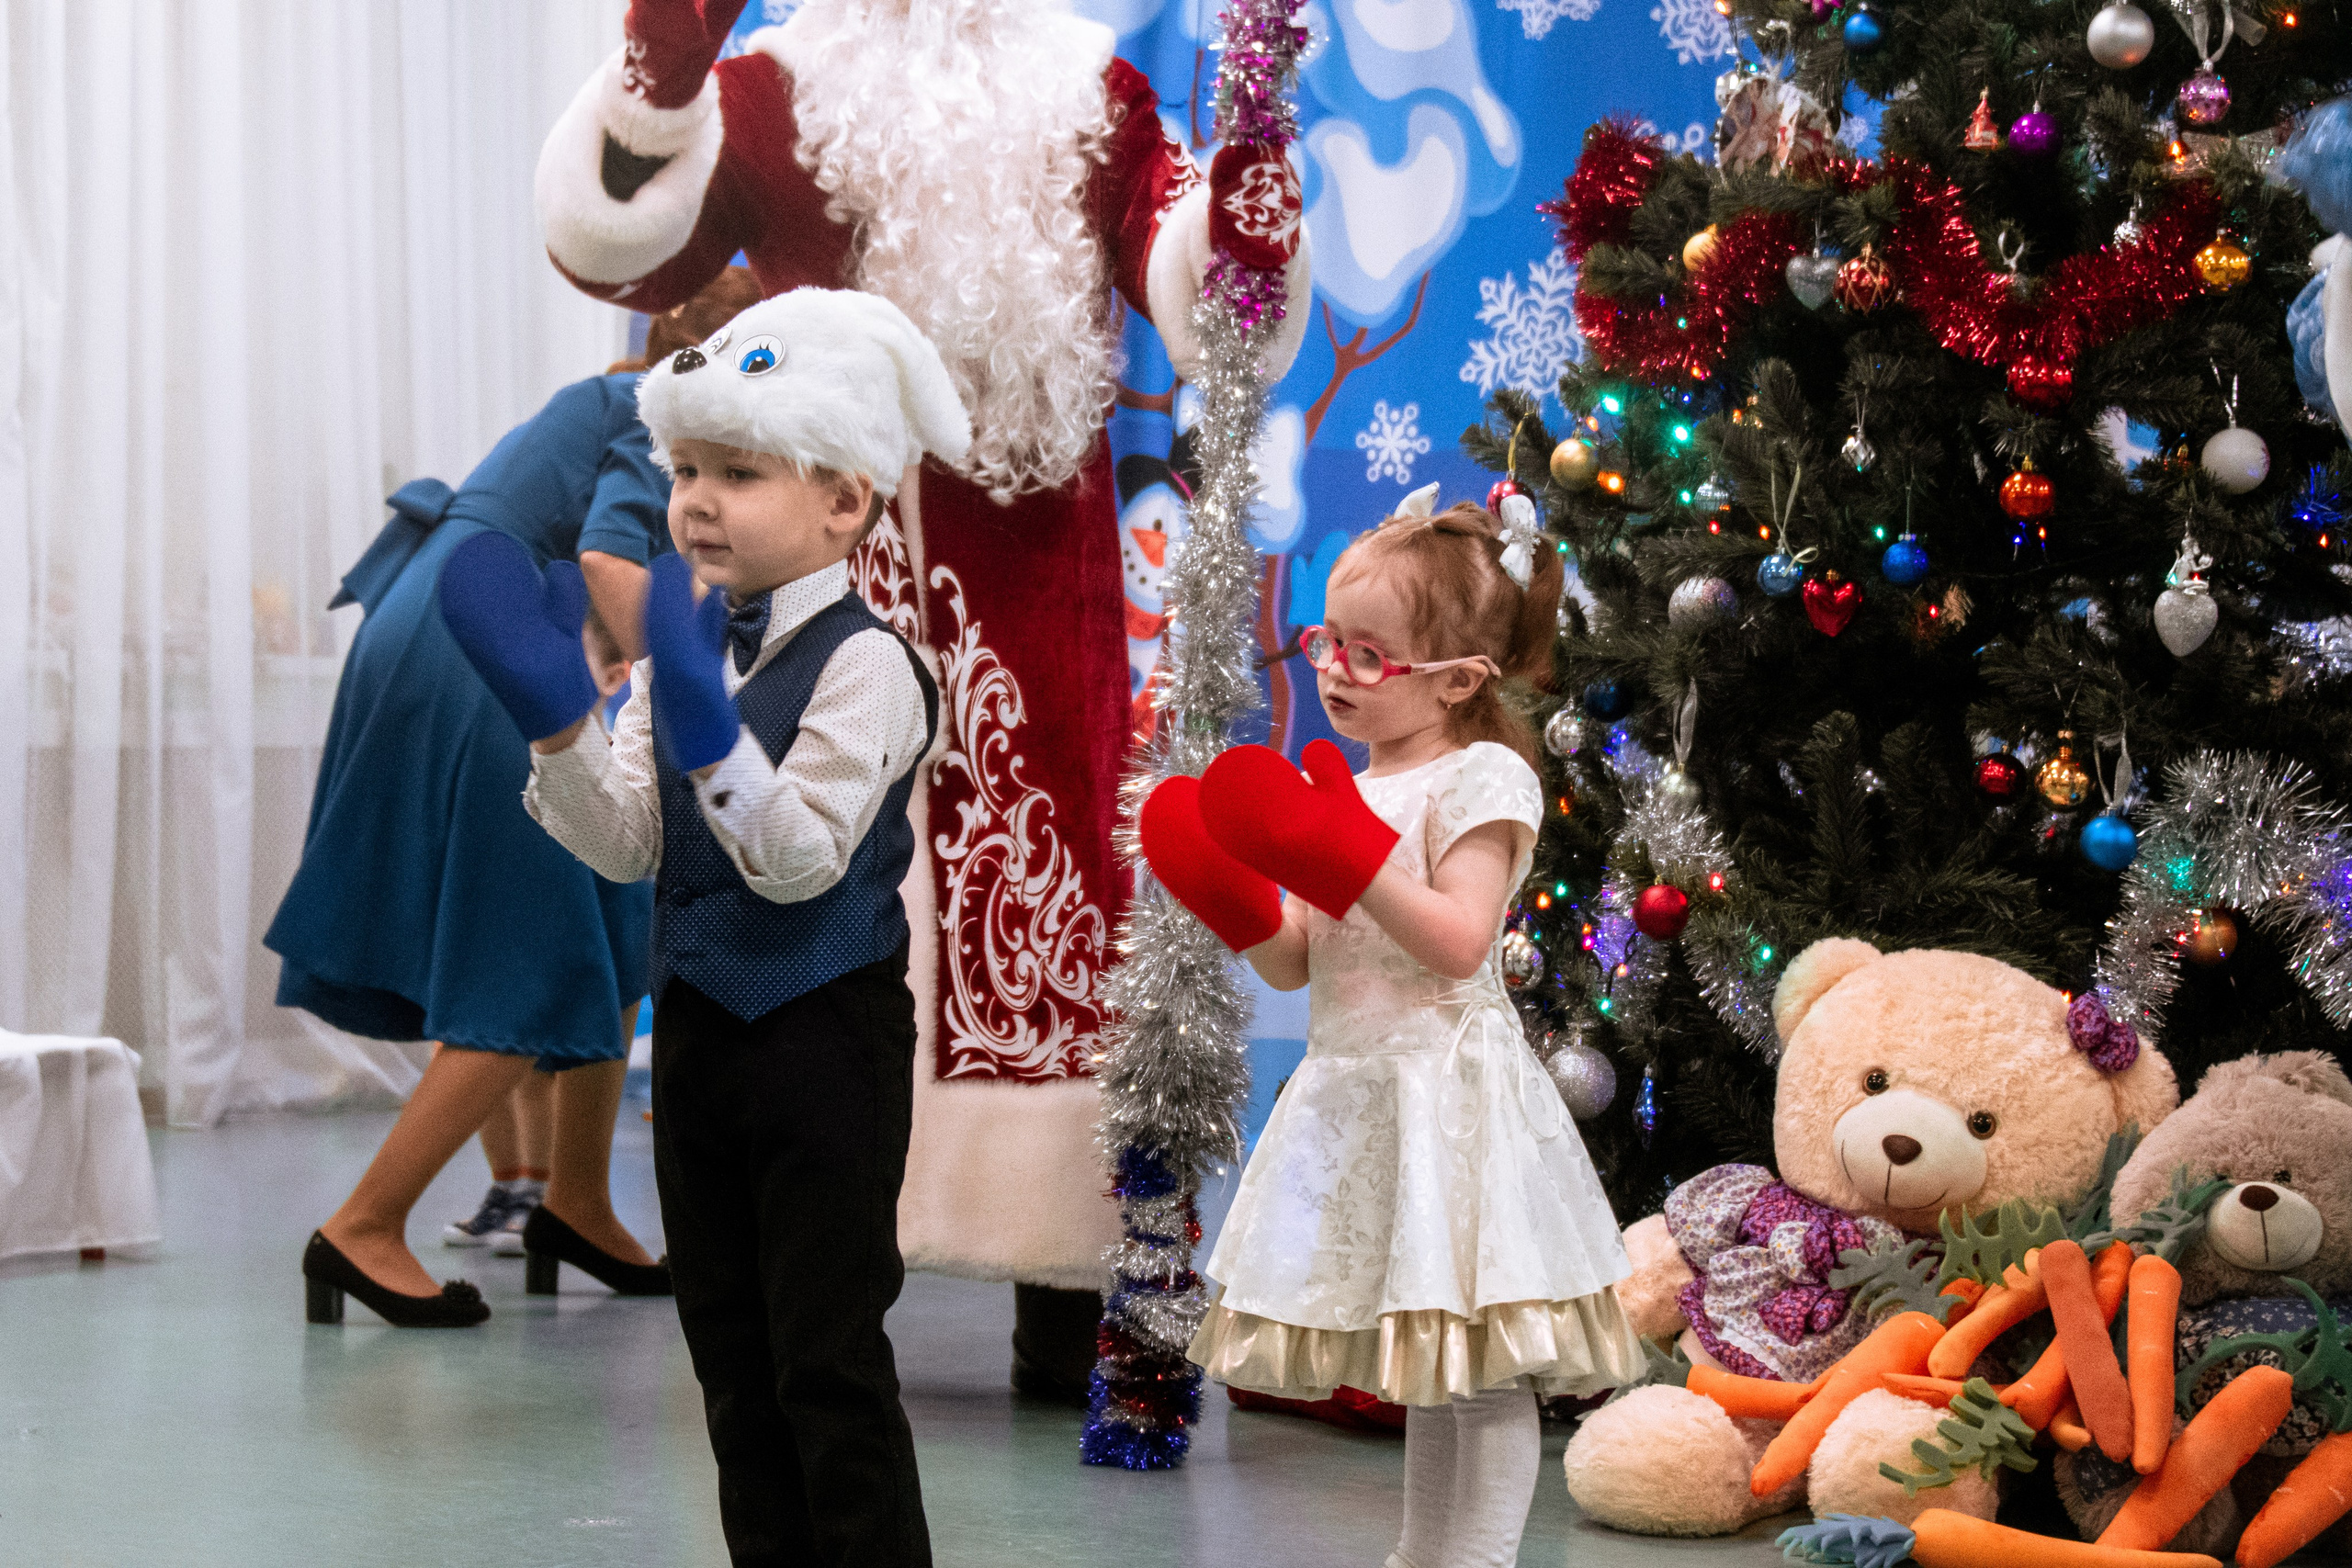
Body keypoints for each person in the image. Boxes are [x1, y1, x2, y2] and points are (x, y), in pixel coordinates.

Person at [533, 0, 1310, 1393]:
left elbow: (1204, 297)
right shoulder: (777, 89)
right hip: (821, 556)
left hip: (1036, 586)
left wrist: (1248, 197)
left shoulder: (1095, 90)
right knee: (803, 873)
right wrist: (656, 90)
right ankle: (813, 1267)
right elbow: (626, 255)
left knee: (1049, 906)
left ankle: (1066, 1282)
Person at [451, 287, 967, 1566]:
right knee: (731, 1366)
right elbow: (628, 840)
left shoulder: (871, 665)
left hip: (824, 1045)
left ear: (845, 500)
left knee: (827, 1366)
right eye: (685, 468)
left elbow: (795, 863)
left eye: (738, 470)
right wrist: (564, 724)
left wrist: (700, 719)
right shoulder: (688, 647)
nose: (696, 499)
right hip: (695, 1039)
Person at [1146, 491, 1645, 1568]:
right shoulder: (1358, 786)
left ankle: (1480, 1560)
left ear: (1458, 679)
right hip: (1358, 1092)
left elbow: (1459, 941)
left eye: (1370, 657)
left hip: (1451, 1096)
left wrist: (1343, 854)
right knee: (1429, 1366)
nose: (1332, 670)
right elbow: (1300, 957)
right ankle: (1421, 1557)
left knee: (1486, 1366)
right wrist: (1233, 895)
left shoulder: (1484, 776)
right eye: (1328, 642)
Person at [281, 268, 759, 1328]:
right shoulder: (663, 410)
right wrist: (701, 709)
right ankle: (363, 1225)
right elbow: (604, 556)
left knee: (605, 909)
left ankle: (574, 1201)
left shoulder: (606, 394)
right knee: (529, 943)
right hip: (490, 647)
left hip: (440, 621)